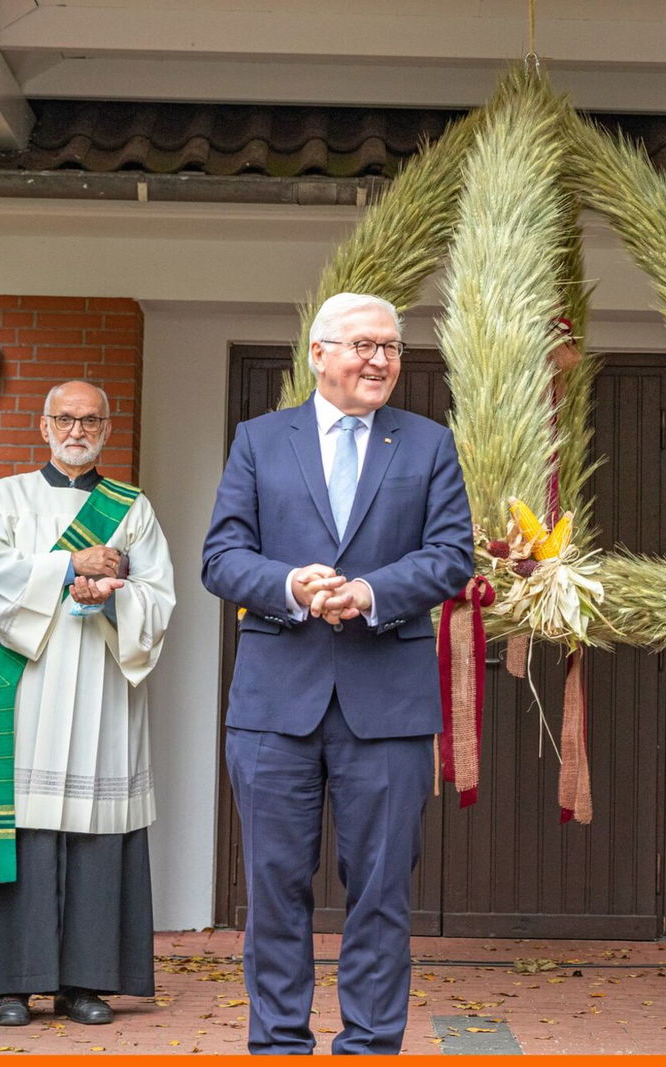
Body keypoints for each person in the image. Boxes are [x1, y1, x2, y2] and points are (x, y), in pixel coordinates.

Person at [201, 292, 473, 1054]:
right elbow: (222, 557)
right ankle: (279, 1043)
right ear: (318, 353)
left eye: (390, 346)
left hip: (386, 705)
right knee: (275, 894)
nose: (380, 359)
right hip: (273, 706)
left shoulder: (426, 444)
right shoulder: (259, 440)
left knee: (382, 894)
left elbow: (453, 555)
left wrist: (370, 592)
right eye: (362, 345)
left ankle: (370, 1044)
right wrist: (291, 586)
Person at [0, 381, 175, 1028]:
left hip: (103, 689)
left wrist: (112, 597)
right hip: (31, 686)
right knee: (25, 828)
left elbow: (158, 599)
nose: (77, 429)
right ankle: (11, 986)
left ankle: (85, 982)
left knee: (94, 831)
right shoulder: (4, 498)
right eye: (65, 418)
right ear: (44, 424)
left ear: (107, 427)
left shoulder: (133, 509)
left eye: (90, 419)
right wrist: (68, 564)